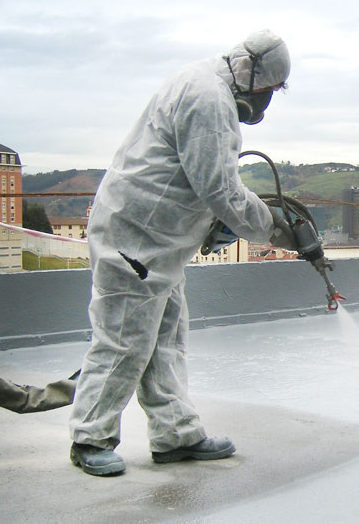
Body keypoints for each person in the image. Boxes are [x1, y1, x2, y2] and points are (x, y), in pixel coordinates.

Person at [68, 29, 297, 476]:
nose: (266, 102)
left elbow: (193, 180)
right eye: (268, 91)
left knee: (166, 337)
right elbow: (220, 188)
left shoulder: (202, 81)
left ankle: (175, 434)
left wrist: (214, 224)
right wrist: (278, 230)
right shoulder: (208, 99)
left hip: (159, 242)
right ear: (250, 73)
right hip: (136, 238)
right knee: (123, 341)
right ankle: (89, 436)